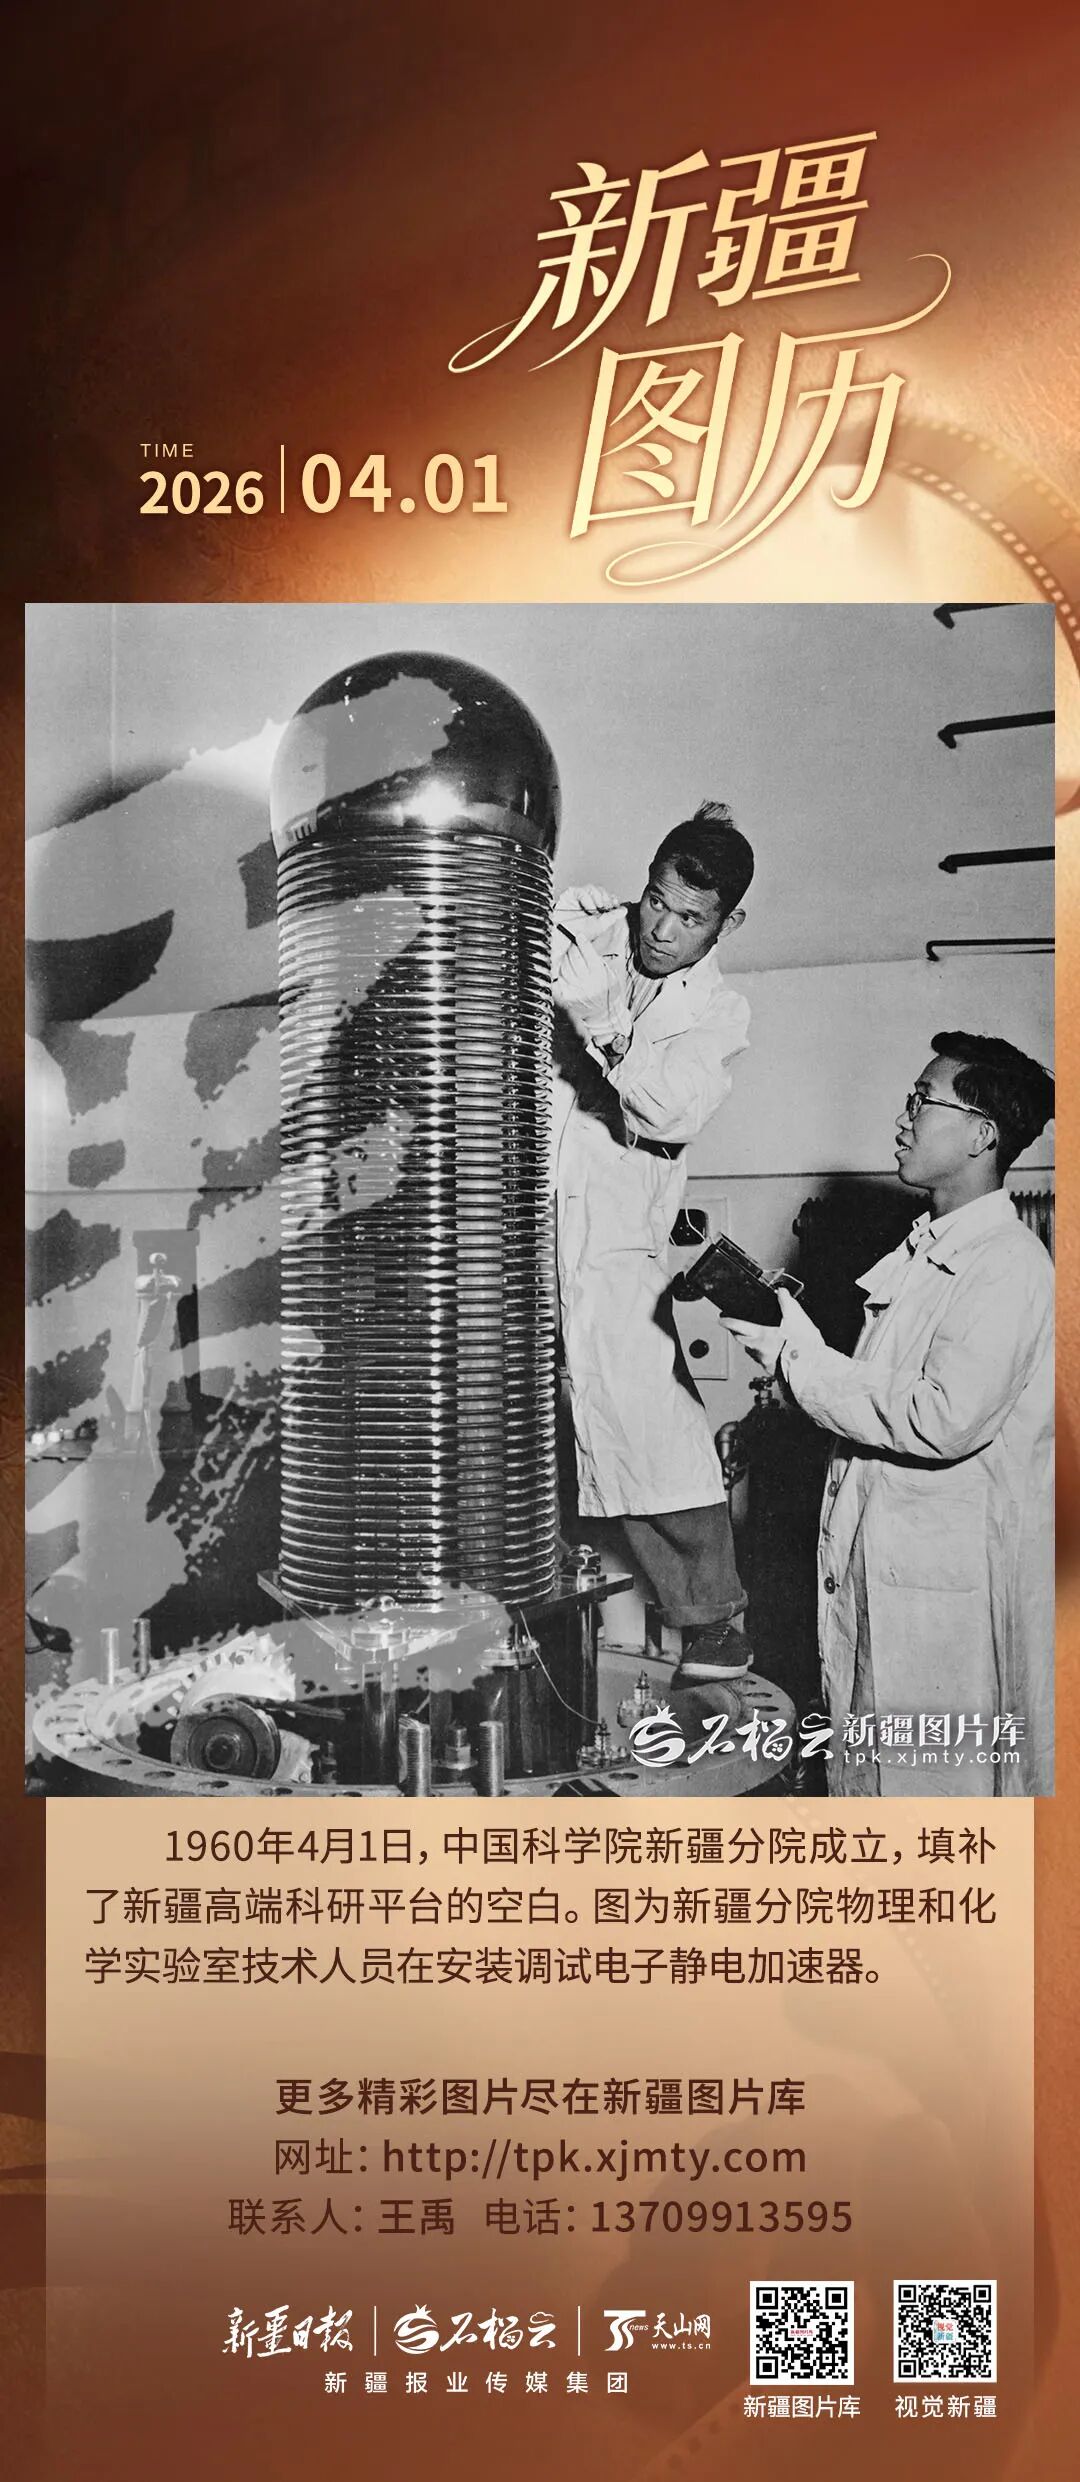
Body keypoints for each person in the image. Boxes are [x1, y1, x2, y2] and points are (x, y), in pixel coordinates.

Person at [727, 1032, 1055, 1797]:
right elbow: (873, 1398)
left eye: (922, 1100)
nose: (903, 1117)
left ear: (981, 1134)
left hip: (943, 1613)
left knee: (938, 1807)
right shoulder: (922, 1256)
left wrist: (799, 1362)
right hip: (890, 1586)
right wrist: (797, 1350)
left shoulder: (1007, 1265)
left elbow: (941, 1417)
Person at [552, 802, 755, 1704]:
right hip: (520, 1225)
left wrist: (602, 1021)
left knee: (652, 1427)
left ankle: (713, 1625)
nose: (662, 929)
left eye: (690, 918)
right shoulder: (590, 934)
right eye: (657, 902)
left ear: (727, 925)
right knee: (490, 1423)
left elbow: (667, 1111)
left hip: (614, 1243)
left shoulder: (720, 1013)